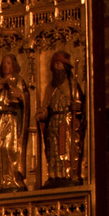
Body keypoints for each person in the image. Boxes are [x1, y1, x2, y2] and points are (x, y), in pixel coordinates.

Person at [39, 50, 85, 187]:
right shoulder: (50, 88)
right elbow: (46, 108)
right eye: (55, 65)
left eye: (59, 65)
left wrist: (78, 107)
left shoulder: (72, 85)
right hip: (53, 122)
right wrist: (43, 114)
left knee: (64, 150)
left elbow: (80, 106)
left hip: (67, 121)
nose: (56, 68)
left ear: (65, 68)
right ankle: (54, 176)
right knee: (53, 150)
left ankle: (68, 174)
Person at [0, 54, 29, 193]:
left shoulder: (18, 80)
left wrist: (20, 96)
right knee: (0, 148)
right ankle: (1, 180)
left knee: (10, 148)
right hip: (1, 121)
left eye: (8, 63)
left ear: (14, 65)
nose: (6, 66)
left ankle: (13, 178)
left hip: (13, 120)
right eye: (4, 63)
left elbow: (26, 100)